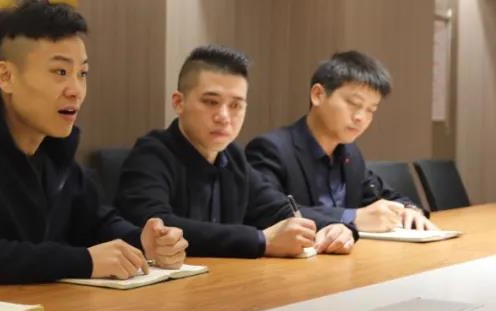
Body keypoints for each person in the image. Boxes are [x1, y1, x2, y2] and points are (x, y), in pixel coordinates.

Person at [0, 0, 187, 285]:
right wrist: (83, 262)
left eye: (82, 74)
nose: (76, 90)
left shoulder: (54, 149)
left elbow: (96, 222)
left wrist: (142, 241)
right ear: (6, 76)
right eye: (60, 72)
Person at [115, 45, 355, 258]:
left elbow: (279, 209)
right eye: (211, 102)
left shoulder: (233, 157)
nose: (224, 116)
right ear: (179, 103)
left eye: (236, 105)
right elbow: (159, 228)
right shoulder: (151, 154)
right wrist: (260, 240)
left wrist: (333, 227)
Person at [246, 50, 436, 232]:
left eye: (371, 110)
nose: (361, 117)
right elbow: (268, 212)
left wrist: (410, 210)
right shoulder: (271, 149)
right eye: (354, 104)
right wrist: (352, 217)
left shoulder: (350, 153)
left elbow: (385, 194)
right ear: (318, 95)